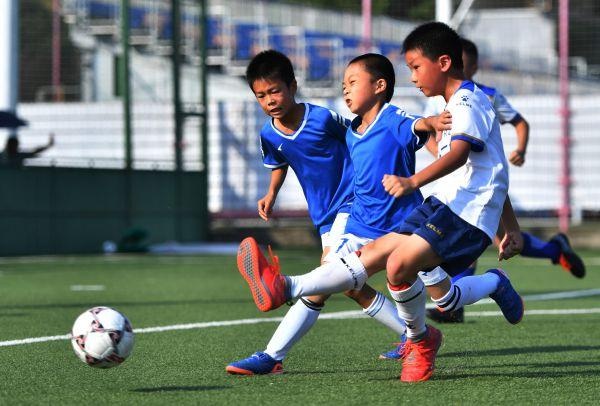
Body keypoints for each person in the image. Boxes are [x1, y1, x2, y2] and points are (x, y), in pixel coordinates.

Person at [235, 22, 525, 382]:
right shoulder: (359, 126)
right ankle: (478, 295)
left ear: (444, 62)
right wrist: (509, 228)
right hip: (424, 209)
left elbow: (459, 154)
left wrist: (415, 173)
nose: (413, 77)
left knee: (387, 270)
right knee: (440, 297)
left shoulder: (463, 103)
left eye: (416, 67)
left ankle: (288, 295)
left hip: (437, 212)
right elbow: (490, 169)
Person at [227, 53, 452, 375]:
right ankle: (414, 335)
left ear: (292, 86)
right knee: (350, 284)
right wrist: (271, 193)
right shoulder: (269, 133)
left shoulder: (322, 119)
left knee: (331, 273)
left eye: (275, 91)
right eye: (261, 95)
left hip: (351, 205)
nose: (270, 100)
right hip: (324, 215)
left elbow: (363, 136)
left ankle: (272, 349)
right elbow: (280, 161)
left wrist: (422, 134)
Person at [424, 37, 585, 324]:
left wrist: (519, 149)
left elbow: (520, 122)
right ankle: (553, 249)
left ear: (468, 64)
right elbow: (429, 133)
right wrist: (444, 154)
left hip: (485, 178)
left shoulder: (485, 96)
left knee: (492, 237)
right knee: (499, 237)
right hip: (460, 181)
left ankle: (454, 305)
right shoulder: (439, 98)